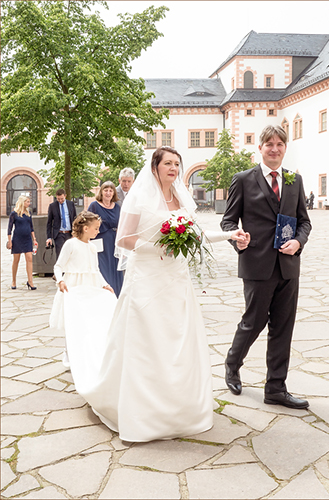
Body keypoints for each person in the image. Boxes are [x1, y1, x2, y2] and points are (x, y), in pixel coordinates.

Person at [64, 146, 244, 442]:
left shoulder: (181, 198)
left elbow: (194, 235)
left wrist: (229, 234)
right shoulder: (141, 197)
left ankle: (181, 408)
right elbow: (124, 239)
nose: (173, 168)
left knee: (179, 340)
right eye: (168, 163)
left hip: (176, 279)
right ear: (155, 167)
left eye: (177, 163)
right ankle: (144, 412)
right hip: (147, 278)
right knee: (148, 342)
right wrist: (160, 247)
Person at [221, 125, 312, 410]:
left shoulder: (294, 180)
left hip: (287, 266)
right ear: (259, 148)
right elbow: (228, 222)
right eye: (269, 144)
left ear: (285, 148)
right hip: (257, 264)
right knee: (253, 323)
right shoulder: (243, 179)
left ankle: (276, 388)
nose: (274, 148)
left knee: (283, 328)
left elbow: (304, 221)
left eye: (279, 144)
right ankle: (232, 364)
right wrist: (238, 241)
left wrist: (298, 242)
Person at [49, 211, 116, 368]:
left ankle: (84, 352)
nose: (98, 231)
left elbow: (95, 270)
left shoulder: (92, 247)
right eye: (96, 228)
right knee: (73, 319)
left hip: (90, 285)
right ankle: (69, 352)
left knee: (87, 320)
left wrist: (104, 284)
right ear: (85, 228)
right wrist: (61, 280)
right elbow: (58, 266)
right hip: (74, 286)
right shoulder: (70, 244)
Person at [88, 182, 124, 297]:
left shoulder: (117, 207)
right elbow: (86, 222)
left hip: (114, 243)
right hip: (99, 243)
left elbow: (121, 226)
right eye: (106, 190)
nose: (108, 193)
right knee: (103, 271)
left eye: (111, 190)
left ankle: (116, 298)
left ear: (113, 193)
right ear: (101, 192)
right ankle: (104, 298)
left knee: (116, 271)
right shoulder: (94, 206)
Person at [7, 195, 37, 290]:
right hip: (17, 239)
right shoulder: (14, 214)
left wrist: (34, 239)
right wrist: (9, 241)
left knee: (29, 259)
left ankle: (30, 281)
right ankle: (14, 281)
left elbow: (31, 227)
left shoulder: (29, 214)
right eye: (27, 201)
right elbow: (9, 229)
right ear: (22, 202)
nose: (29, 203)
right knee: (16, 260)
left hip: (27, 239)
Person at [46, 189, 76, 260]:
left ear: (65, 196)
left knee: (71, 255)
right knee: (60, 256)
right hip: (59, 234)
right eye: (58, 199)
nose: (60, 201)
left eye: (62, 198)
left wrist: (75, 233)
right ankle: (60, 271)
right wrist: (49, 237)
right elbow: (49, 223)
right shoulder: (52, 206)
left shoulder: (71, 204)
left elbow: (75, 219)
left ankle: (69, 271)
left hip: (70, 234)